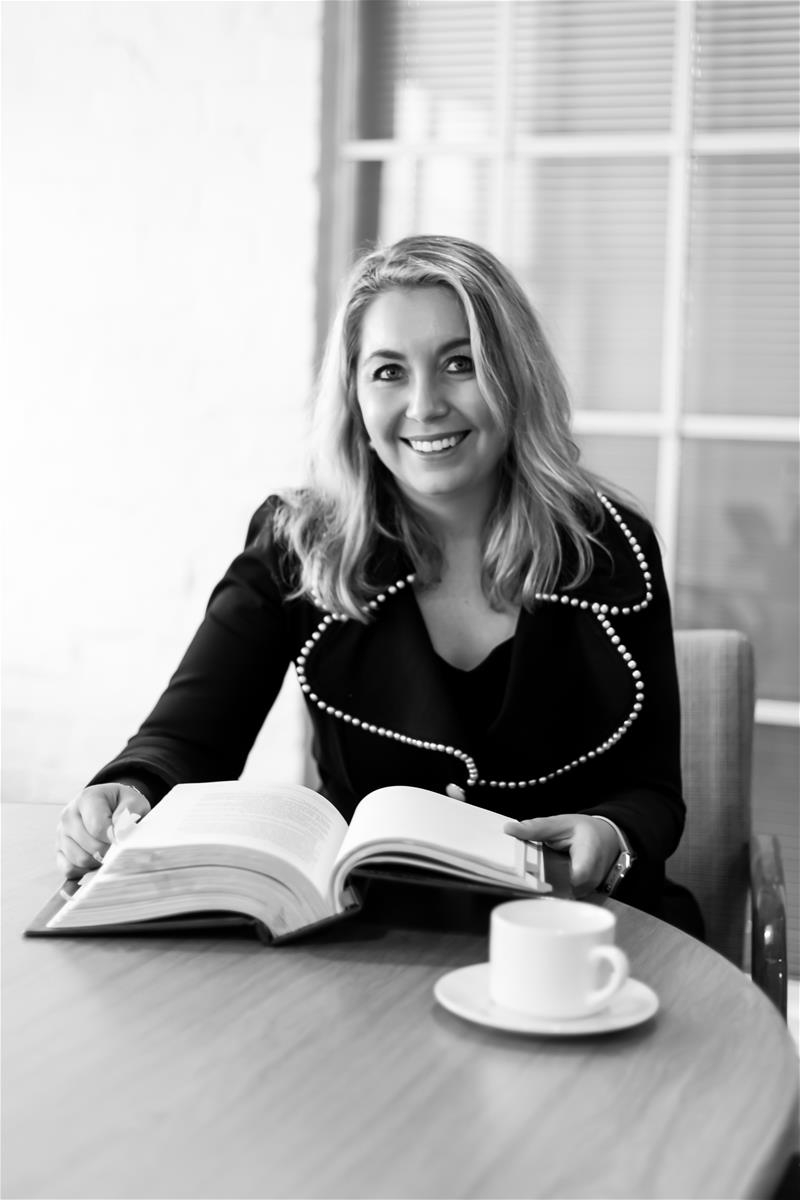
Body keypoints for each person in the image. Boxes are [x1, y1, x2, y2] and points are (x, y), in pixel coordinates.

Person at [55, 234, 702, 936]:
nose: (425, 405)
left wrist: (613, 834)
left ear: (514, 376)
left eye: (460, 364)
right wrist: (129, 786)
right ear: (355, 395)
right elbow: (185, 740)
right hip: (373, 941)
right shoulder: (297, 544)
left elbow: (651, 791)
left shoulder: (610, 546)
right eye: (389, 372)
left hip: (579, 932)